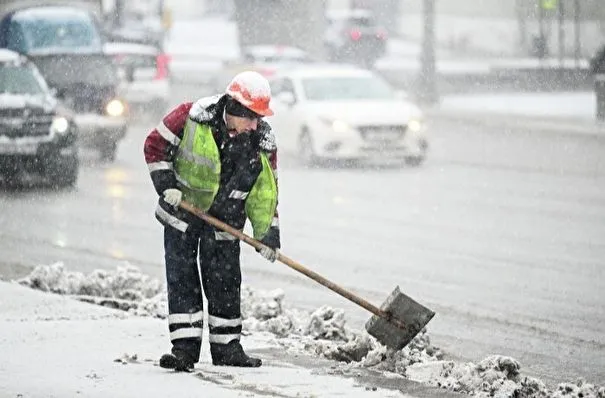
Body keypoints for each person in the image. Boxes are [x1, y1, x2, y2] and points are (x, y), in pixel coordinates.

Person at [143, 71, 281, 371]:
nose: (256, 124)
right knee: (183, 281)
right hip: (183, 215)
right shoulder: (191, 117)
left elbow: (265, 193)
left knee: (226, 283)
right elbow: (154, 145)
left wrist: (268, 235)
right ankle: (184, 350)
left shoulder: (262, 141)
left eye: (259, 118)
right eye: (251, 117)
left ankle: (227, 348)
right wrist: (167, 185)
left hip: (225, 222)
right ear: (234, 109)